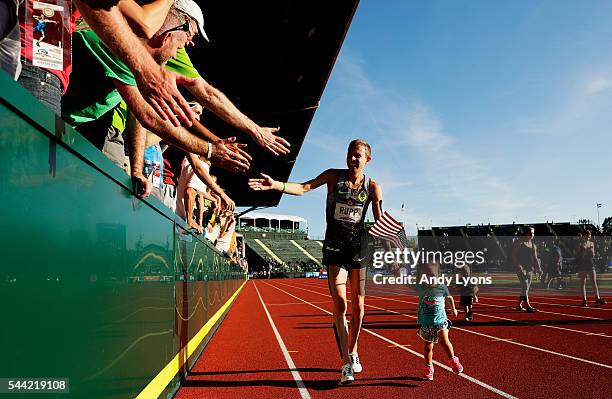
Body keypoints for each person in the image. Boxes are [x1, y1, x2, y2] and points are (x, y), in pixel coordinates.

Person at [248, 139, 385, 384]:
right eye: (350, 154)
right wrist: (276, 185)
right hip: (334, 249)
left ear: (367, 160)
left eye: (358, 155)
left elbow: (380, 222)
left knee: (360, 308)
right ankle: (345, 363)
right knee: (340, 303)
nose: (353, 159)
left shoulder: (373, 187)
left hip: (358, 250)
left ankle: (353, 352)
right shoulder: (333, 177)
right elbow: (304, 187)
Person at [416, 262, 463, 381]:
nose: (429, 279)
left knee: (444, 340)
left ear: (438, 275)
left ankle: (453, 360)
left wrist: (453, 309)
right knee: (428, 347)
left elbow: (449, 298)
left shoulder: (442, 287)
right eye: (426, 276)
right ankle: (429, 368)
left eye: (432, 275)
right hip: (426, 323)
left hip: (441, 321)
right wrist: (397, 272)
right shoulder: (421, 287)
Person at [511, 226, 541, 312]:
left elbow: (535, 258)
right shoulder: (519, 243)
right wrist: (518, 265)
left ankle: (518, 305)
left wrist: (539, 268)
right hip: (521, 268)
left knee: (526, 288)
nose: (532, 235)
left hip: (529, 268)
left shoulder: (533, 245)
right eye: (531, 233)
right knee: (525, 285)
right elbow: (513, 255)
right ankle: (528, 305)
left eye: (533, 233)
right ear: (526, 233)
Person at [576, 230, 606, 306]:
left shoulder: (592, 243)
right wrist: (584, 249)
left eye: (590, 235)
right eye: (589, 235)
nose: (590, 236)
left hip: (590, 264)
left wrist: (591, 251)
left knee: (594, 283)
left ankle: (597, 299)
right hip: (583, 265)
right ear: (585, 235)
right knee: (583, 283)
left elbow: (593, 254)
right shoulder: (580, 243)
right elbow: (578, 255)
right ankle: (584, 300)